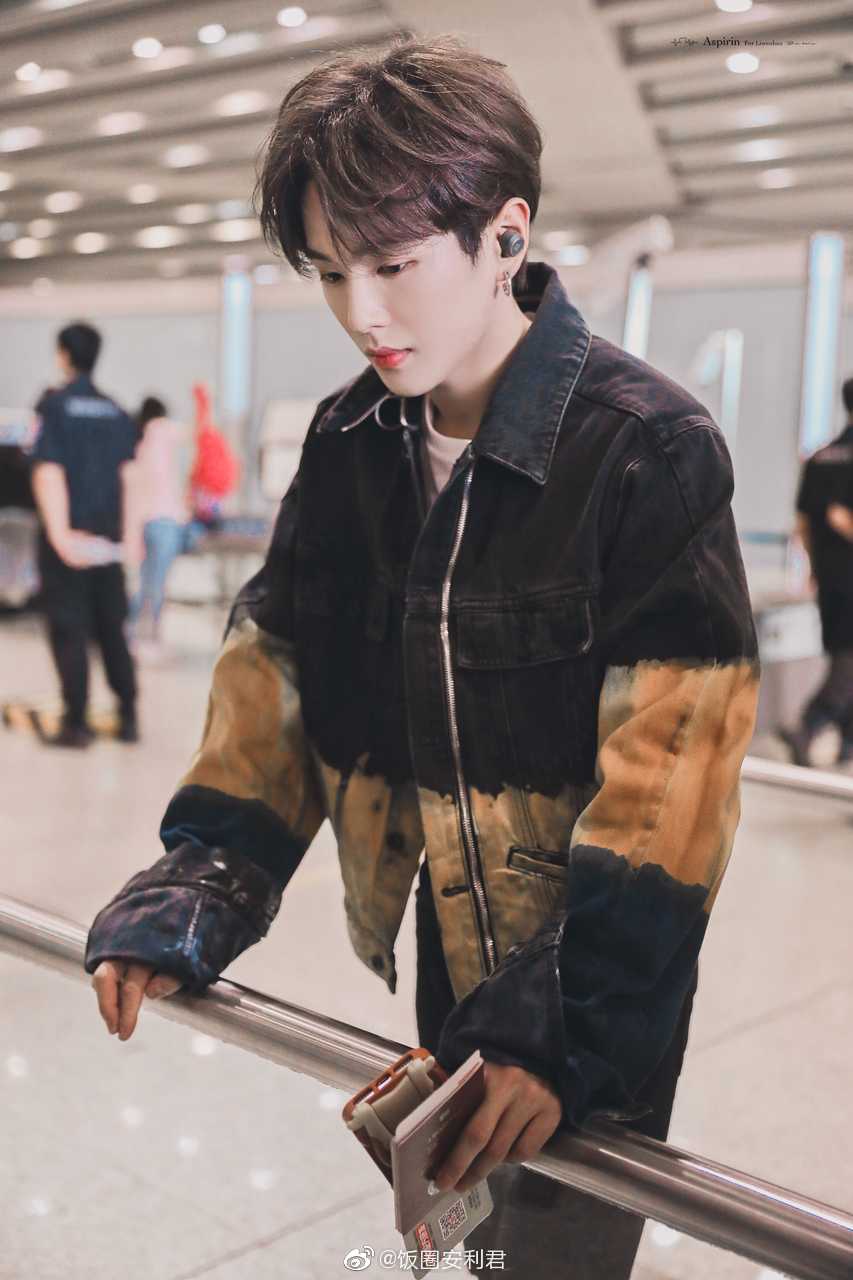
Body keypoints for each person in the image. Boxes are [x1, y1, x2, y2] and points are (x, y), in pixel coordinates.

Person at [84, 37, 759, 1278]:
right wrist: (200, 879)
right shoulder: (351, 442)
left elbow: (674, 781)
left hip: (600, 969)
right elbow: (278, 676)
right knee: (464, 1229)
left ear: (506, 235)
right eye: (331, 271)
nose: (362, 312)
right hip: (450, 941)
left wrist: (565, 1024)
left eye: (392, 263)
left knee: (555, 1247)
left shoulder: (644, 449)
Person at [30, 322, 139, 747]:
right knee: (112, 629)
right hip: (109, 541)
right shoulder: (116, 411)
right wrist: (130, 539)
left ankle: (76, 723)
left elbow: (49, 471)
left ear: (63, 355)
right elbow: (130, 476)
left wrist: (60, 536)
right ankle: (128, 716)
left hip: (71, 541)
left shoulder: (55, 407)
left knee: (70, 630)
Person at [781, 376, 853, 767]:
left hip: (831, 578)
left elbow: (804, 524)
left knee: (843, 653)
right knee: (848, 665)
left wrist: (812, 568)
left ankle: (847, 743)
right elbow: (838, 519)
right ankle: (809, 724)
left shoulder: (820, 458)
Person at [128, 395, 193, 652]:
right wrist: (203, 401)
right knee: (157, 582)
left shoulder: (136, 440)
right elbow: (196, 433)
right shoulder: (160, 428)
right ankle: (152, 638)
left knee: (141, 580)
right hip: (165, 519)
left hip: (142, 519)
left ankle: (133, 634)